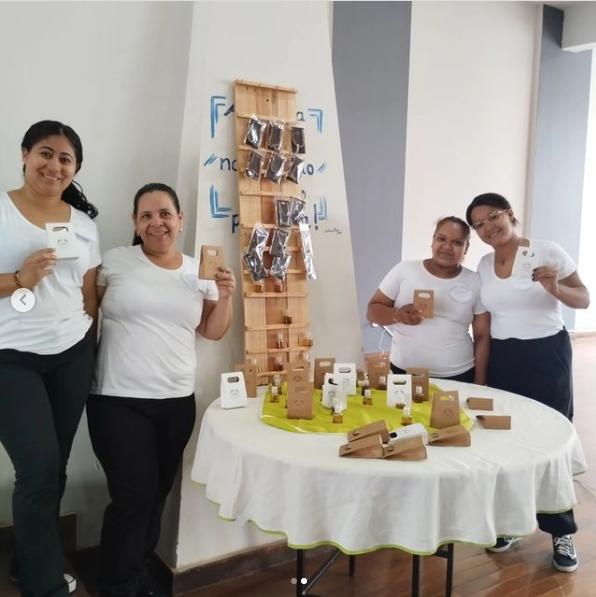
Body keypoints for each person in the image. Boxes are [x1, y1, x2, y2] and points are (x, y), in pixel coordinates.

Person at [87, 182, 235, 597]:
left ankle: (136, 577)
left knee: (155, 496)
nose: (157, 223)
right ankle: (118, 585)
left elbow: (212, 330)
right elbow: (86, 317)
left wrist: (224, 296)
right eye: (147, 215)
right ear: (135, 222)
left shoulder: (197, 272)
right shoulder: (115, 262)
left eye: (165, 214)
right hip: (116, 400)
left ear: (180, 219)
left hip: (175, 401)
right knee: (132, 497)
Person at [0, 120, 100, 596]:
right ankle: (46, 585)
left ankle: (25, 560)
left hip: (71, 355)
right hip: (11, 359)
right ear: (24, 155)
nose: (54, 165)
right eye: (45, 153)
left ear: (75, 168)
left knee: (54, 466)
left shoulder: (82, 225)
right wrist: (17, 280)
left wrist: (89, 346)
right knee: (38, 467)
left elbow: (88, 294)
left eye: (65, 159)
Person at [466, 192, 590, 573]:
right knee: (506, 439)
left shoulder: (546, 251)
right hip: (505, 357)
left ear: (510, 214)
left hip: (545, 354)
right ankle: (512, 523)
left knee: (550, 442)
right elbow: (483, 323)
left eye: (493, 218)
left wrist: (556, 289)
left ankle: (561, 531)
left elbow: (583, 298)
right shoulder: (485, 264)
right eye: (479, 224)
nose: (488, 228)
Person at [367, 216, 489, 384]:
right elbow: (372, 311)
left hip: (458, 375)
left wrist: (480, 382)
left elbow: (482, 336)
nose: (446, 247)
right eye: (441, 239)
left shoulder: (475, 281)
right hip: (404, 372)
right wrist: (398, 315)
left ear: (466, 248)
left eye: (457, 242)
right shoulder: (405, 270)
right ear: (432, 241)